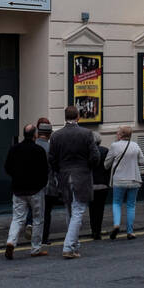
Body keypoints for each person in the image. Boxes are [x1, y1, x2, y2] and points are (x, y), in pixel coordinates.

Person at [47, 105, 100, 259]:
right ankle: (69, 247)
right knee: (78, 211)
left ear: (65, 118)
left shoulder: (56, 136)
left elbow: (51, 159)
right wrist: (88, 166)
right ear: (78, 117)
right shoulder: (87, 134)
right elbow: (95, 157)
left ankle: (75, 245)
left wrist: (59, 170)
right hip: (82, 176)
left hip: (64, 176)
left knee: (70, 211)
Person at [3, 123, 49, 259]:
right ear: (35, 135)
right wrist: (41, 184)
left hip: (18, 189)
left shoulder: (14, 149)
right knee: (38, 219)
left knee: (17, 218)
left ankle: (11, 242)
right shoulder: (39, 150)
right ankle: (35, 248)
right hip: (35, 190)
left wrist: (16, 177)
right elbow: (44, 171)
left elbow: (7, 167)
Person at [105, 126, 144, 238]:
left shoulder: (114, 146)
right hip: (134, 179)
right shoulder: (135, 145)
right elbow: (142, 161)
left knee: (117, 203)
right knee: (131, 205)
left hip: (119, 180)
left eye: (117, 133)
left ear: (121, 135)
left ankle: (117, 224)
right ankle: (130, 231)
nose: (116, 135)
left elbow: (106, 164)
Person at [87, 123, 109, 240]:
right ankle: (98, 231)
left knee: (92, 208)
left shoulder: (87, 152)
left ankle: (93, 230)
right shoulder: (105, 150)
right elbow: (108, 166)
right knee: (100, 209)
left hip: (90, 184)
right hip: (103, 184)